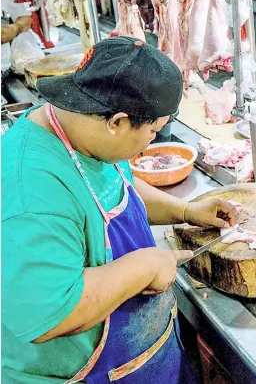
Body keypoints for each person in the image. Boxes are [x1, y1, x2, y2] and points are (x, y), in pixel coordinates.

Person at [2, 36, 238, 384]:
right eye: (154, 131)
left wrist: (187, 211)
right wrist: (145, 266)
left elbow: (120, 189)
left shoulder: (82, 130)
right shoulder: (30, 190)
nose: (152, 142)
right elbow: (50, 314)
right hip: (80, 375)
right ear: (117, 122)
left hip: (146, 359)